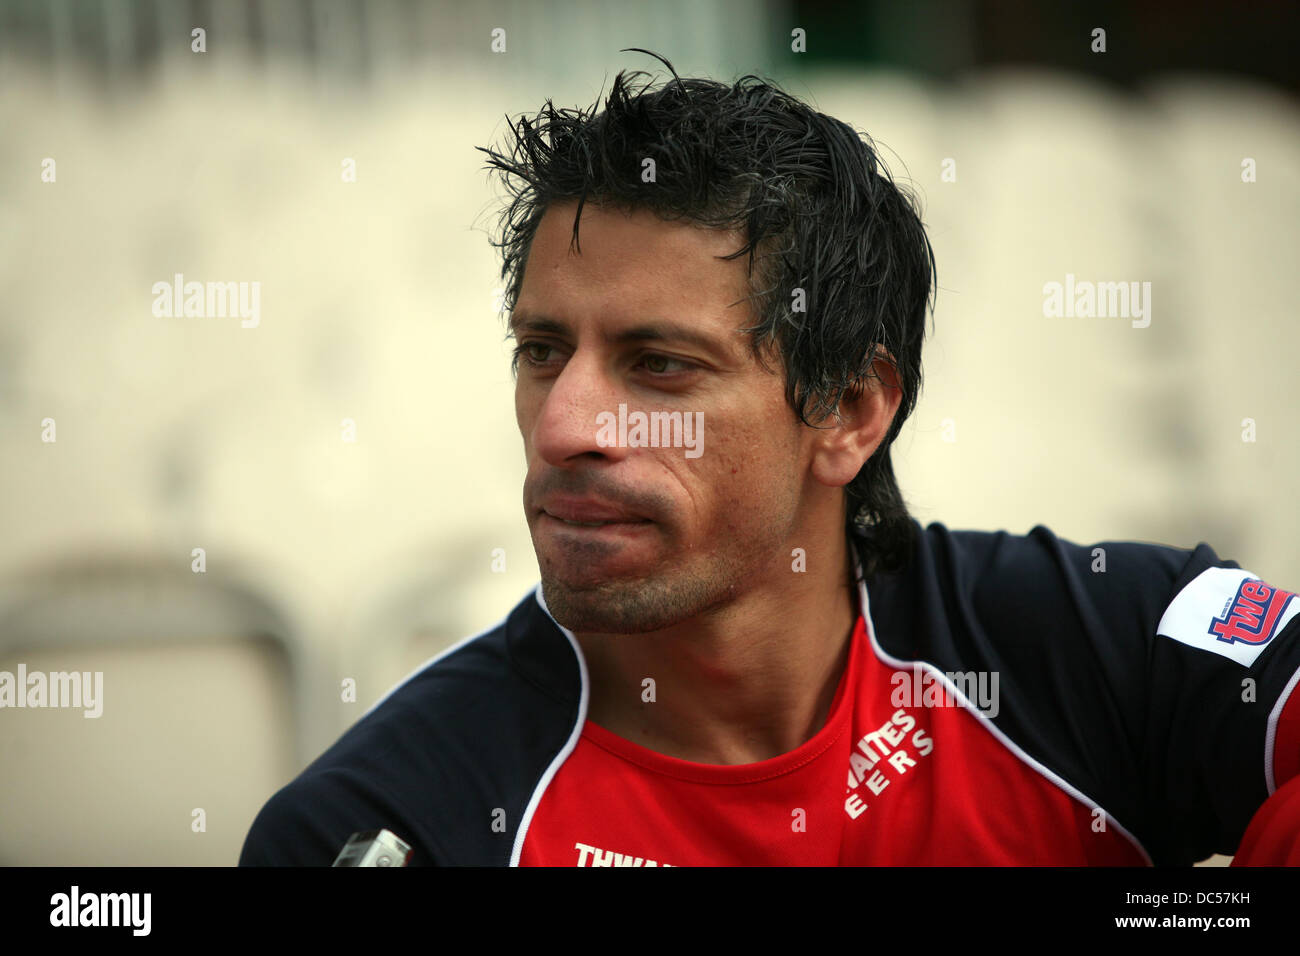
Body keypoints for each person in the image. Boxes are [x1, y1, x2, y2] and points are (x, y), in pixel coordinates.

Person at [239, 53, 1300, 866]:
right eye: (542, 351)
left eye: (658, 364)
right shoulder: (388, 824)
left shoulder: (1084, 638)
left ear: (847, 409)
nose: (564, 426)